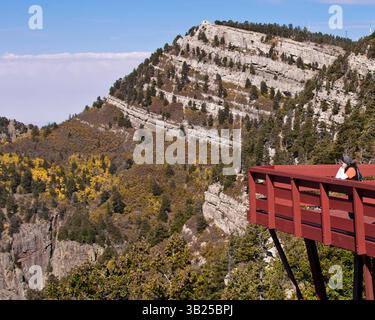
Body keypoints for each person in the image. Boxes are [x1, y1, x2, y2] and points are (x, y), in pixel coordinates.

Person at [335, 155, 363, 220]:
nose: (340, 164)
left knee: (354, 210)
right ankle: (353, 224)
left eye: (342, 163)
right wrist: (341, 168)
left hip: (356, 192)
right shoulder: (347, 168)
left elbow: (342, 178)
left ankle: (356, 225)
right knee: (351, 210)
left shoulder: (351, 169)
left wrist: (342, 168)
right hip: (351, 192)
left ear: (346, 162)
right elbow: (337, 178)